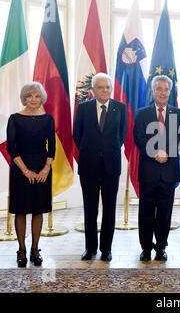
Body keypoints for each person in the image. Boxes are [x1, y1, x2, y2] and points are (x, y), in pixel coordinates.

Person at [73, 73, 127, 262]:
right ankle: (90, 248)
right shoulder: (83, 108)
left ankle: (106, 249)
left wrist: (106, 150)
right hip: (89, 165)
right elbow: (77, 135)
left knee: (110, 208)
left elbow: (122, 135)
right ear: (93, 90)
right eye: (101, 87)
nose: (105, 90)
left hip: (111, 165)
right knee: (90, 208)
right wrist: (92, 151)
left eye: (108, 87)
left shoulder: (120, 108)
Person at [133, 75, 180, 261]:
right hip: (148, 170)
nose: (162, 92)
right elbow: (139, 138)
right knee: (146, 212)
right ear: (153, 91)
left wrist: (166, 152)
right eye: (159, 89)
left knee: (165, 213)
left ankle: (161, 247)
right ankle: (146, 248)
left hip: (169, 171)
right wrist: (155, 152)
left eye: (166, 89)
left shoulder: (179, 115)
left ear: (170, 92)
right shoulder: (141, 113)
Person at [7, 82, 55, 267]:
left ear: (41, 98)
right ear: (24, 98)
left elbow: (52, 148)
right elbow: (11, 147)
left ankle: (35, 249)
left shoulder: (48, 119)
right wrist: (26, 170)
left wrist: (45, 169)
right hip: (20, 168)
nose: (33, 99)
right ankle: (21, 250)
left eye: (36, 96)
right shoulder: (15, 118)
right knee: (20, 209)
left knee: (38, 209)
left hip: (42, 167)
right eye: (29, 96)